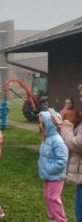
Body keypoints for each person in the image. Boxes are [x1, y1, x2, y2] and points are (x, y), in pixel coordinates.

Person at [53, 84, 82, 222]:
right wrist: (63, 126)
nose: (81, 99)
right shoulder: (65, 111)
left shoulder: (76, 111)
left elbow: (78, 144)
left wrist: (66, 130)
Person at [39, 111, 68, 222]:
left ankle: (60, 219)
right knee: (47, 197)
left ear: (49, 124)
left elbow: (62, 161)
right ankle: (53, 218)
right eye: (39, 123)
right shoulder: (46, 138)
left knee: (53, 198)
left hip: (56, 177)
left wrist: (49, 170)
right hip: (48, 175)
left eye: (42, 123)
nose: (40, 125)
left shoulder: (58, 141)